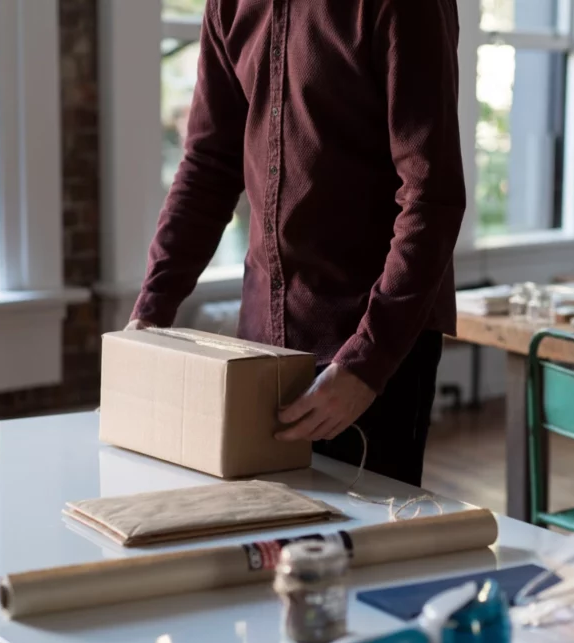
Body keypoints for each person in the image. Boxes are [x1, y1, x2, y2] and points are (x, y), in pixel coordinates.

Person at [127, 1, 465, 487]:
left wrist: (365, 364)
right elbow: (207, 168)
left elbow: (432, 197)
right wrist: (148, 316)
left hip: (371, 347)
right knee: (263, 548)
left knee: (362, 554)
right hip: (259, 350)